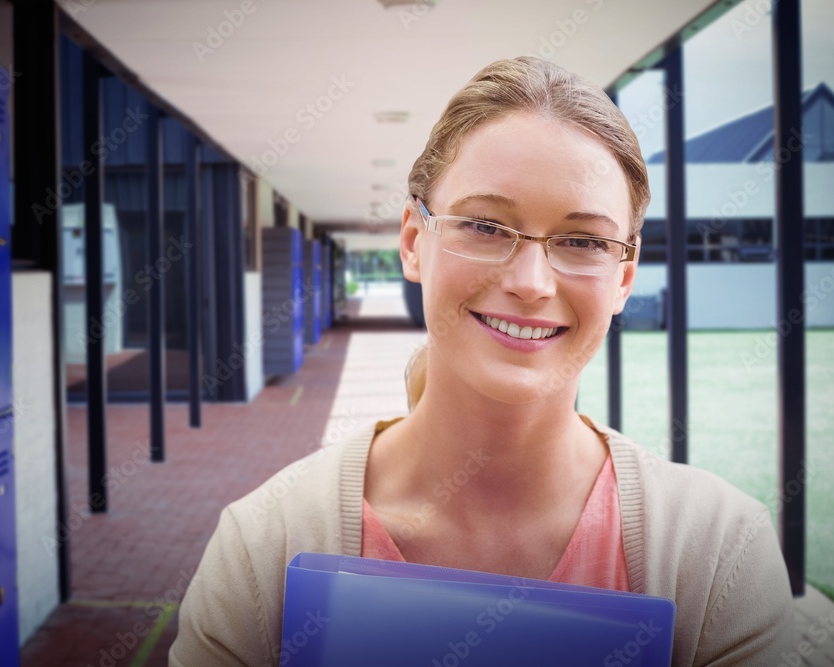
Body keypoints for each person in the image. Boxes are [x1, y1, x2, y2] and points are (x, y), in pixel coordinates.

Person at [169, 56, 794, 667]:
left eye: (582, 241)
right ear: (414, 242)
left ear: (623, 278)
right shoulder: (264, 546)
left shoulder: (716, 554)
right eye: (487, 226)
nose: (530, 282)